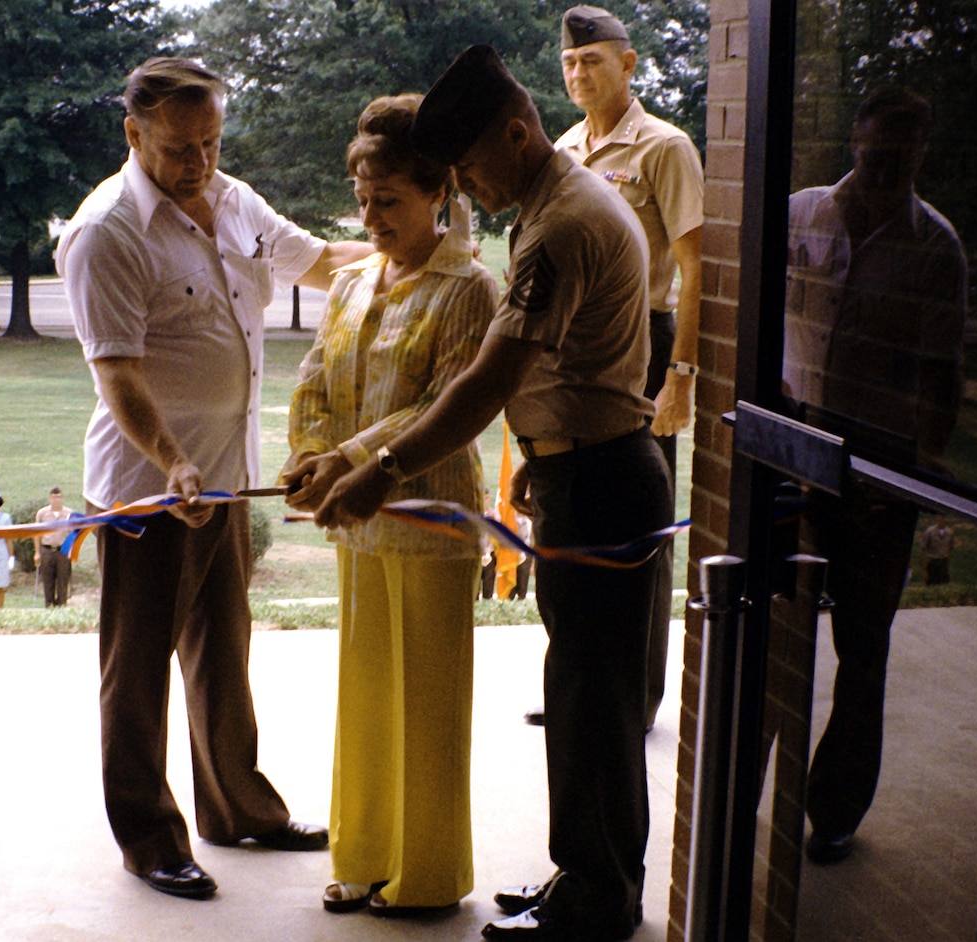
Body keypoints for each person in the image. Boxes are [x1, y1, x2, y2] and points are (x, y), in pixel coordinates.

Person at [311, 46, 670, 941]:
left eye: (470, 165)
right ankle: (582, 875)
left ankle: (600, 899)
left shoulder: (559, 225)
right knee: (582, 690)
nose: (466, 182)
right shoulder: (558, 204)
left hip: (601, 478)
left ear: (516, 132)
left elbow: (483, 381)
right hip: (577, 472)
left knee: (598, 700)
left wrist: (383, 471)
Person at [55, 56, 370, 900]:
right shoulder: (107, 230)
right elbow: (118, 373)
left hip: (228, 479)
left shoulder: (235, 200)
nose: (199, 163)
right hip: (151, 488)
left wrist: (408, 245)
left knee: (223, 653)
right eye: (179, 147)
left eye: (211, 142)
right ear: (133, 133)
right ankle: (150, 838)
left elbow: (317, 260)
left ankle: (239, 811)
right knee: (138, 667)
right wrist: (174, 463)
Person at [281, 94, 498, 915]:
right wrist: (310, 455)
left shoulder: (470, 289)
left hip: (431, 519)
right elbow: (315, 381)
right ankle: (363, 854)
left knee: (429, 705)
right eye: (363, 201)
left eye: (390, 202)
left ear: (438, 194)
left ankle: (427, 874)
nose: (370, 218)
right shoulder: (351, 282)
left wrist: (349, 456)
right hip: (356, 523)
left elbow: (444, 407)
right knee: (365, 694)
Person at [783, 87, 966, 865]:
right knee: (776, 626)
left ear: (922, 152)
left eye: (901, 153)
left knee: (863, 646)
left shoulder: (936, 248)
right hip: (792, 450)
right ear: (854, 138)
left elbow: (940, 379)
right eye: (872, 148)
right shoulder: (799, 215)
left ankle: (834, 809)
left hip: (877, 473)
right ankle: (759, 781)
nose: (883, 164)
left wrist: (920, 487)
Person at [551, 5, 705, 731]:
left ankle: (636, 697)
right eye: (570, 64)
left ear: (629, 64)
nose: (580, 75)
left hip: (645, 342)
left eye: (593, 62)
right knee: (574, 513)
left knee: (640, 519)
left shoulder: (663, 147)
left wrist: (682, 375)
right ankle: (581, 685)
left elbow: (698, 267)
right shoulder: (565, 148)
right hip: (577, 350)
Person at [33, 486, 73, 607]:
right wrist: (37, 552)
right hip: (47, 550)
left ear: (62, 498)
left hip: (63, 550)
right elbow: (36, 533)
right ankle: (48, 606)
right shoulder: (42, 513)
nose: (56, 499)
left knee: (63, 582)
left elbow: (73, 534)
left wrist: (72, 551)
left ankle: (62, 608)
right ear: (49, 498)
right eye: (54, 497)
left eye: (59, 497)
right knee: (48, 581)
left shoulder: (69, 514)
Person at [920, 514, 955, 585]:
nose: (942, 519)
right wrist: (924, 570)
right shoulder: (930, 532)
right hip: (933, 563)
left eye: (944, 517)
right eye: (940, 517)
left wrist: (948, 567)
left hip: (943, 563)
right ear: (937, 517)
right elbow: (922, 549)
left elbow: (949, 549)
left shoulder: (949, 533)